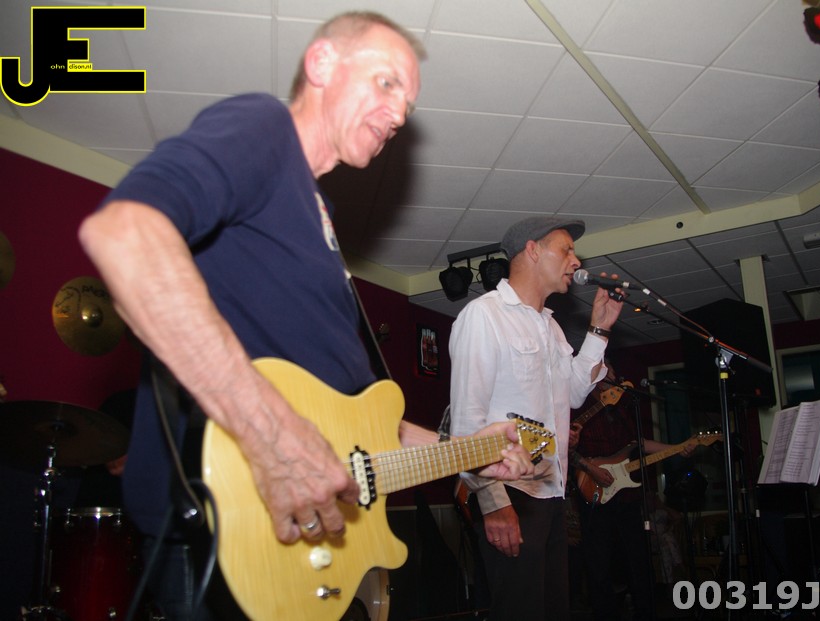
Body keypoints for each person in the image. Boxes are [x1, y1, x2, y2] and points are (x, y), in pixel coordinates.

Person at [78, 11, 532, 619]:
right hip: (226, 526)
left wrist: (466, 450)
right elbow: (126, 235)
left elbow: (356, 421)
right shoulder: (263, 126)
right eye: (387, 82)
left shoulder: (317, 216)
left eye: (407, 104)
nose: (399, 115)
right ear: (321, 64)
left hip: (305, 541)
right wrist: (271, 435)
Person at [448, 216, 626, 621]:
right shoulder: (484, 316)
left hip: (550, 493)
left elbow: (575, 392)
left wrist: (599, 329)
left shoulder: (552, 327)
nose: (576, 261)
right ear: (532, 250)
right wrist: (493, 502)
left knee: (552, 609)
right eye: (566, 249)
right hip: (509, 493)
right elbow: (466, 422)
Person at [569, 360, 693, 621]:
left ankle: (645, 611)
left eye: (613, 370)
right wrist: (590, 468)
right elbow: (565, 448)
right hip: (592, 491)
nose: (613, 375)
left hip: (626, 494)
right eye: (607, 370)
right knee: (598, 562)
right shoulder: (577, 405)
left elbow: (639, 443)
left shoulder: (622, 406)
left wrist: (677, 447)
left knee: (638, 557)